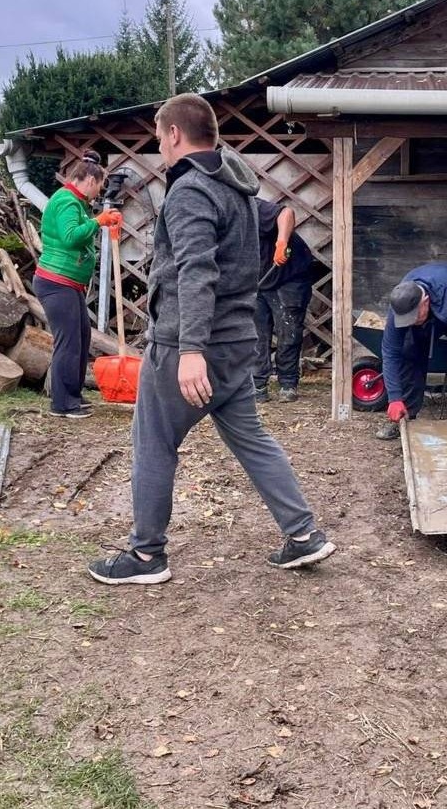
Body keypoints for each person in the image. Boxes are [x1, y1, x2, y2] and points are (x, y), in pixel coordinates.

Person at [88, 94, 336, 586]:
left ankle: (145, 557)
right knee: (252, 438)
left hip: (189, 344)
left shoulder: (191, 192)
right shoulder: (239, 189)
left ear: (175, 134)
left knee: (154, 443)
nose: (159, 144)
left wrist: (190, 351)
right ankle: (303, 535)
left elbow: (195, 274)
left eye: (160, 135)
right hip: (238, 341)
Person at [34, 149, 121, 418]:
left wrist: (102, 223)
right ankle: (62, 404)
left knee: (81, 338)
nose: (99, 192)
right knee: (68, 342)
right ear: (90, 181)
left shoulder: (77, 204)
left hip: (68, 283)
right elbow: (71, 237)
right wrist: (99, 221)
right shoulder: (66, 202)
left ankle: (72, 394)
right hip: (55, 282)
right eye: (100, 186)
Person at [375, 262, 447, 441]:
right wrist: (394, 398)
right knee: (408, 352)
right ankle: (403, 415)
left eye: (414, 316)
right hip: (430, 310)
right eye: (406, 319)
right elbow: (391, 352)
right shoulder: (400, 308)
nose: (411, 321)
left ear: (425, 301)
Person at [252, 198, 313, 403]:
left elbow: (286, 213)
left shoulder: (251, 207)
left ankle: (288, 383)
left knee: (288, 329)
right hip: (258, 279)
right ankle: (258, 384)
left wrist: (281, 242)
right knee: (256, 333)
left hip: (290, 275)